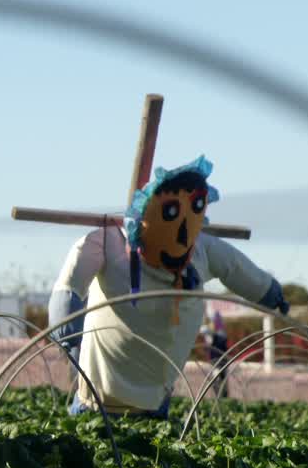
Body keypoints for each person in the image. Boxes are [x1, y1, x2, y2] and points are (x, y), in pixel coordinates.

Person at [47, 156, 289, 419]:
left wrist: (270, 293)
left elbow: (238, 269)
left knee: (151, 450)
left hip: (155, 398)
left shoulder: (200, 251)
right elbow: (69, 284)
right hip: (97, 398)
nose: (183, 235)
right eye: (170, 214)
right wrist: (67, 330)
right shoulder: (109, 243)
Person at [201, 311, 230, 398]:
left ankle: (222, 397)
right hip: (216, 361)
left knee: (219, 378)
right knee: (218, 379)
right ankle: (220, 396)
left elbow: (221, 342)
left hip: (220, 361)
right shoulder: (214, 333)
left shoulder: (220, 333)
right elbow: (204, 332)